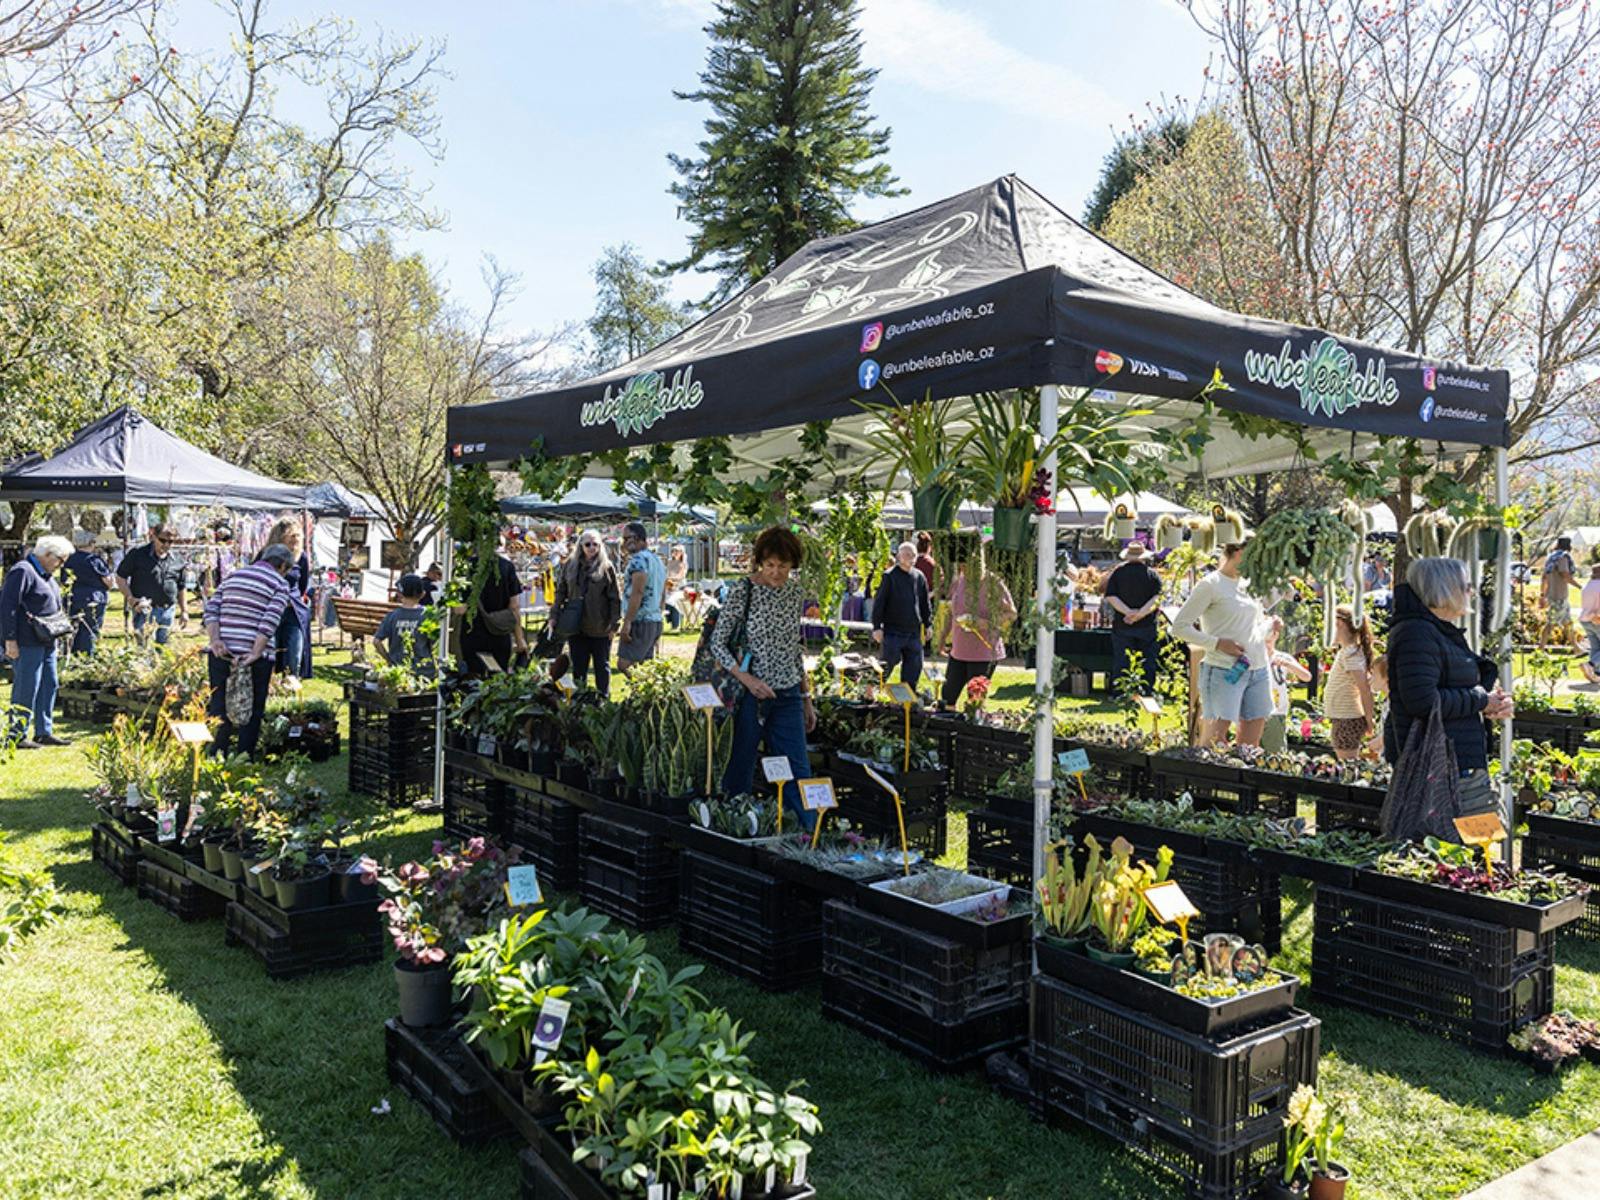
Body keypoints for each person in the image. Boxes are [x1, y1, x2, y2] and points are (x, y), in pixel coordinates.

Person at [1385, 557, 1511, 817]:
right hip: (1440, 767)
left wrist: (1490, 701)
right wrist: (1480, 700)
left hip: (1454, 759)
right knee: (1453, 843)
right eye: (1465, 586)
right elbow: (1423, 701)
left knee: (1470, 844)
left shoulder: (1434, 630)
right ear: (1445, 588)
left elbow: (1451, 686)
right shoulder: (1416, 633)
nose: (1471, 592)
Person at [713, 527, 816, 825]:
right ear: (760, 562)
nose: (776, 572)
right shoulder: (743, 591)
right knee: (740, 767)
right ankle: (736, 830)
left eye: (783, 566)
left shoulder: (794, 592)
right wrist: (748, 680)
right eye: (770, 565)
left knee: (799, 768)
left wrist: (806, 697)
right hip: (749, 697)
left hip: (788, 695)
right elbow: (718, 643)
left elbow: (793, 647)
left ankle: (811, 836)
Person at [1171, 539, 1270, 748]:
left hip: (1258, 670)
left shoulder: (1249, 584)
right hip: (1223, 670)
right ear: (1238, 552)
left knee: (1251, 745)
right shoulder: (1210, 584)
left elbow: (1253, 626)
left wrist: (1270, 626)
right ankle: (1205, 780)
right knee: (1215, 742)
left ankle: (1241, 779)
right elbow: (1179, 627)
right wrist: (1216, 643)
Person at [203, 544, 293, 757]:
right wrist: (256, 651)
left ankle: (217, 754)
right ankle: (244, 756)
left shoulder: (234, 576)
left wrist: (215, 639)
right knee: (252, 709)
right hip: (253, 656)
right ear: (282, 566)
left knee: (219, 707)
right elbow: (270, 620)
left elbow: (211, 608)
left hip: (222, 651)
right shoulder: (279, 584)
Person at [1, 536, 73, 748]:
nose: (62, 565)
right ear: (47, 554)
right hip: (26, 640)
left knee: (49, 684)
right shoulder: (22, 571)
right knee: (27, 686)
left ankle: (43, 731)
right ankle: (17, 734)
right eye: (60, 560)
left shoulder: (46, 574)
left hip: (47, 640)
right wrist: (10, 640)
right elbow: (7, 607)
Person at [941, 548, 1016, 708]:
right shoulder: (958, 582)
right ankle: (948, 728)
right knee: (947, 695)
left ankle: (972, 728)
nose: (965, 571)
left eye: (968, 566)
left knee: (975, 699)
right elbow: (951, 613)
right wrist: (941, 639)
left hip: (984, 652)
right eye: (962, 567)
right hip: (959, 651)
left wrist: (986, 623)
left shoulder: (993, 583)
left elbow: (1011, 613)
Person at [555, 531, 621, 696]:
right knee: (579, 667)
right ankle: (580, 702)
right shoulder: (570, 565)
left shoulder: (606, 567)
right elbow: (560, 592)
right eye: (588, 544)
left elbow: (615, 598)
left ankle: (603, 700)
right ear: (581, 546)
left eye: (596, 544)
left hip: (600, 627)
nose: (592, 548)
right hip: (576, 626)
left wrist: (614, 624)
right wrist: (553, 616)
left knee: (602, 667)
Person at [460, 535, 526, 674]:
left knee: (474, 678)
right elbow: (514, 606)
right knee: (498, 679)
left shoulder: (465, 567)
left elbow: (459, 609)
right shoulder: (507, 567)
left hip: (472, 631)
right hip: (499, 630)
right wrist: (519, 639)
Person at [1104, 542, 1163, 694]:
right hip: (1147, 625)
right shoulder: (1152, 574)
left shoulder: (1118, 573)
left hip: (1123, 624)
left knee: (1122, 660)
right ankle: (1146, 691)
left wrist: (1128, 612)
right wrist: (1140, 614)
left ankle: (1120, 692)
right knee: (1148, 660)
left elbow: (1111, 596)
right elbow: (1157, 599)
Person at [872, 541, 932, 688]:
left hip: (913, 632)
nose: (910, 557)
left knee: (914, 667)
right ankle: (870, 691)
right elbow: (879, 602)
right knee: (886, 664)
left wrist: (928, 624)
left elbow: (925, 603)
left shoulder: (920, 577)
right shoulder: (889, 576)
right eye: (906, 554)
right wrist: (876, 627)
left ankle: (907, 702)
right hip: (893, 631)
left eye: (913, 554)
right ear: (899, 556)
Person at [116, 523, 188, 645]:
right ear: (153, 536)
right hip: (144, 609)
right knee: (144, 649)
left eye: (170, 542)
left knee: (164, 650)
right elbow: (120, 577)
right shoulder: (137, 554)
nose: (166, 544)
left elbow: (181, 586)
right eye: (162, 540)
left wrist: (184, 611)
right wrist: (131, 599)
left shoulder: (177, 559)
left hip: (168, 610)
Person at [259, 518, 312, 681]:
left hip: (293, 610)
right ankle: (270, 684)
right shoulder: (265, 555)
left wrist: (295, 599)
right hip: (271, 609)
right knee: (271, 649)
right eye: (291, 538)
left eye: (297, 538)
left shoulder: (301, 557)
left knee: (294, 651)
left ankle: (291, 683)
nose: (295, 542)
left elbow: (303, 584)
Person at [1323, 605, 1378, 761]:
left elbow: (1364, 689)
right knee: (1346, 763)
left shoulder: (1351, 654)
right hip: (1342, 718)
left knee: (1348, 764)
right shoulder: (1347, 652)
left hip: (1347, 719)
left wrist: (1369, 719)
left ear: (1339, 623)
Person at [617, 521, 665, 673]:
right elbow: (663, 593)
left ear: (638, 538)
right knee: (644, 666)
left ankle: (646, 691)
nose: (624, 544)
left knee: (624, 664)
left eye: (627, 539)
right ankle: (645, 695)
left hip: (640, 621)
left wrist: (627, 622)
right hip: (654, 620)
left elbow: (637, 592)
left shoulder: (639, 560)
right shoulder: (657, 560)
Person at [1262, 616, 1312, 753]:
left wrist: (1287, 664)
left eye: (1269, 633)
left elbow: (1306, 677)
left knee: (1274, 752)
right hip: (1254, 712)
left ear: (1276, 635)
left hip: (1276, 712)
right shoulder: (1253, 656)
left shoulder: (1283, 657)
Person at [64, 530, 115, 657]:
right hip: (94, 597)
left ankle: (73, 654)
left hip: (73, 596)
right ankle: (88, 656)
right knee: (91, 628)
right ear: (91, 543)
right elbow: (108, 581)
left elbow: (64, 580)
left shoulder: (68, 559)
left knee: (74, 628)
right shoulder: (95, 560)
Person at [375, 575, 434, 674]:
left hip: (399, 670)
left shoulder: (392, 616)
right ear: (423, 594)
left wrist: (389, 660)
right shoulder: (428, 615)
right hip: (425, 671)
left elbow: (376, 641)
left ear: (400, 594)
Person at [1543, 537, 1577, 644]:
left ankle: (1576, 649)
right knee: (1551, 623)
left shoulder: (1550, 557)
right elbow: (1565, 575)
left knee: (1568, 623)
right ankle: (1540, 648)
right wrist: (1580, 587)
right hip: (1560, 596)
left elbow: (1544, 578)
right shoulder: (1563, 557)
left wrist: (1543, 594)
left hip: (1553, 594)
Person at [1580, 564, 1600, 685]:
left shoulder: (1587, 585)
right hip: (1597, 619)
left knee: (1596, 648)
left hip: (1585, 619)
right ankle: (1590, 665)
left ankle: (1596, 674)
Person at [664, 544, 689, 631]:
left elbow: (681, 576)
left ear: (681, 553)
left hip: (680, 586)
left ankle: (675, 625)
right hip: (669, 585)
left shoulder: (683, 563)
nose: (674, 553)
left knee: (674, 602)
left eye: (676, 551)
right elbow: (667, 573)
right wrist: (668, 582)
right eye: (673, 551)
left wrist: (672, 580)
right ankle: (670, 620)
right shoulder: (670, 562)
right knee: (665, 600)